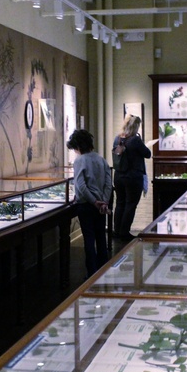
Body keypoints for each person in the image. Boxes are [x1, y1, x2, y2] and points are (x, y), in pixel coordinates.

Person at [67, 129, 112, 278]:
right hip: (101, 205)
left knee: (89, 239)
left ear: (78, 146)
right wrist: (104, 201)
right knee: (101, 237)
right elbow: (108, 183)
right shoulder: (101, 159)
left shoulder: (80, 160)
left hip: (87, 205)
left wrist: (94, 202)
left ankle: (92, 273)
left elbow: (81, 185)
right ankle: (104, 271)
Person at [112, 114, 151, 241]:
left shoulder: (117, 138)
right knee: (131, 204)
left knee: (120, 203)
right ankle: (124, 232)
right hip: (133, 177)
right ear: (135, 126)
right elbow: (148, 154)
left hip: (119, 176)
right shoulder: (135, 140)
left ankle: (117, 231)